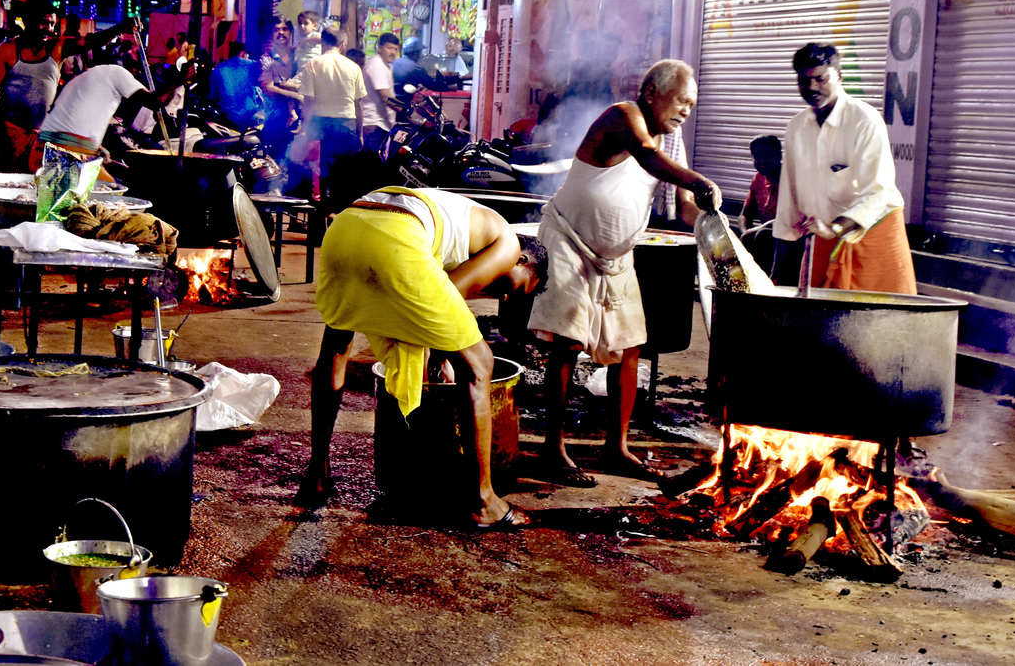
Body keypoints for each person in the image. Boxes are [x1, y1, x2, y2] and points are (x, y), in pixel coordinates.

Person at [297, 186, 546, 528]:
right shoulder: (508, 244)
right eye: (513, 287)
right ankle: (484, 500)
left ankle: (317, 475)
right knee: (480, 363)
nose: (502, 296)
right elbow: (448, 296)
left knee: (337, 344)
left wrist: (438, 354)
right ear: (522, 261)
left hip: (346, 227)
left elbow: (428, 304)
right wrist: (442, 354)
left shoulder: (470, 226)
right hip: (397, 235)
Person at [528, 59, 721, 487]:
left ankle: (616, 448)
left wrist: (713, 222)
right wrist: (701, 181)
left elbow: (685, 204)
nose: (686, 111)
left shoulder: (672, 140)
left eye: (693, 105)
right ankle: (552, 450)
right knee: (568, 342)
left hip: (615, 256)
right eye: (682, 101)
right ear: (652, 92)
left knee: (630, 346)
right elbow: (648, 159)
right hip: (569, 240)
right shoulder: (624, 116)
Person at [774, 43, 917, 294]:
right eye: (804, 81)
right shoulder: (796, 127)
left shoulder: (865, 120)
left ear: (839, 77)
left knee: (885, 319)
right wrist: (787, 244)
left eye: (821, 78)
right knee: (821, 320)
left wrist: (835, 229)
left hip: (875, 232)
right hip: (822, 233)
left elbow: (877, 192)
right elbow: (790, 191)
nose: (812, 87)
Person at [0, 2, 132, 174]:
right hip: (10, 136)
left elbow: (90, 41)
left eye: (52, 24)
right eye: (44, 22)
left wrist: (120, 28)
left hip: (43, 136)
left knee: (38, 185)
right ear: (28, 21)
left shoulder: (56, 47)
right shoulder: (6, 51)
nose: (49, 28)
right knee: (7, 182)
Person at [38, 62, 196, 182]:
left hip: (43, 149)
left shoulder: (86, 79)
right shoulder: (118, 74)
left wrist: (97, 148)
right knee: (113, 192)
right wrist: (180, 80)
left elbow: (78, 121)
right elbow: (155, 101)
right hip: (66, 153)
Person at [298, 26, 366, 207]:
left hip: (320, 126)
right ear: (343, 45)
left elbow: (309, 102)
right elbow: (358, 105)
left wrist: (305, 130)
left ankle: (319, 226)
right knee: (344, 176)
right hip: (347, 126)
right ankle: (340, 219)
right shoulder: (354, 68)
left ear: (323, 43)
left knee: (322, 175)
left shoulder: (312, 65)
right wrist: (360, 134)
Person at [258, 19, 302, 167]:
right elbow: (268, 87)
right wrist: (295, 95)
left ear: (290, 33)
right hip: (275, 120)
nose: (281, 32)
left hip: (300, 120)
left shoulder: (299, 56)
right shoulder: (266, 59)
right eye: (277, 29)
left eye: (284, 29)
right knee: (274, 164)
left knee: (296, 166)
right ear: (272, 34)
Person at [740, 134, 782, 275]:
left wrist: (756, 233)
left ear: (779, 156)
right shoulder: (758, 178)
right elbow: (744, 215)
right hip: (762, 237)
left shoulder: (790, 178)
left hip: (785, 241)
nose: (762, 160)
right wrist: (745, 232)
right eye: (757, 156)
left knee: (763, 237)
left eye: (767, 155)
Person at [209, 41, 262, 131]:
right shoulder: (252, 65)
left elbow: (213, 97)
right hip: (249, 118)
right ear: (243, 53)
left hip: (227, 120)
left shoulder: (218, 69)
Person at [361, 32, 400, 153]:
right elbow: (385, 97)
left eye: (395, 49)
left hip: (382, 124)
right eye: (389, 48)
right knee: (373, 167)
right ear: (379, 47)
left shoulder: (387, 65)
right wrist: (408, 112)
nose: (392, 52)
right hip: (373, 125)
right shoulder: (376, 65)